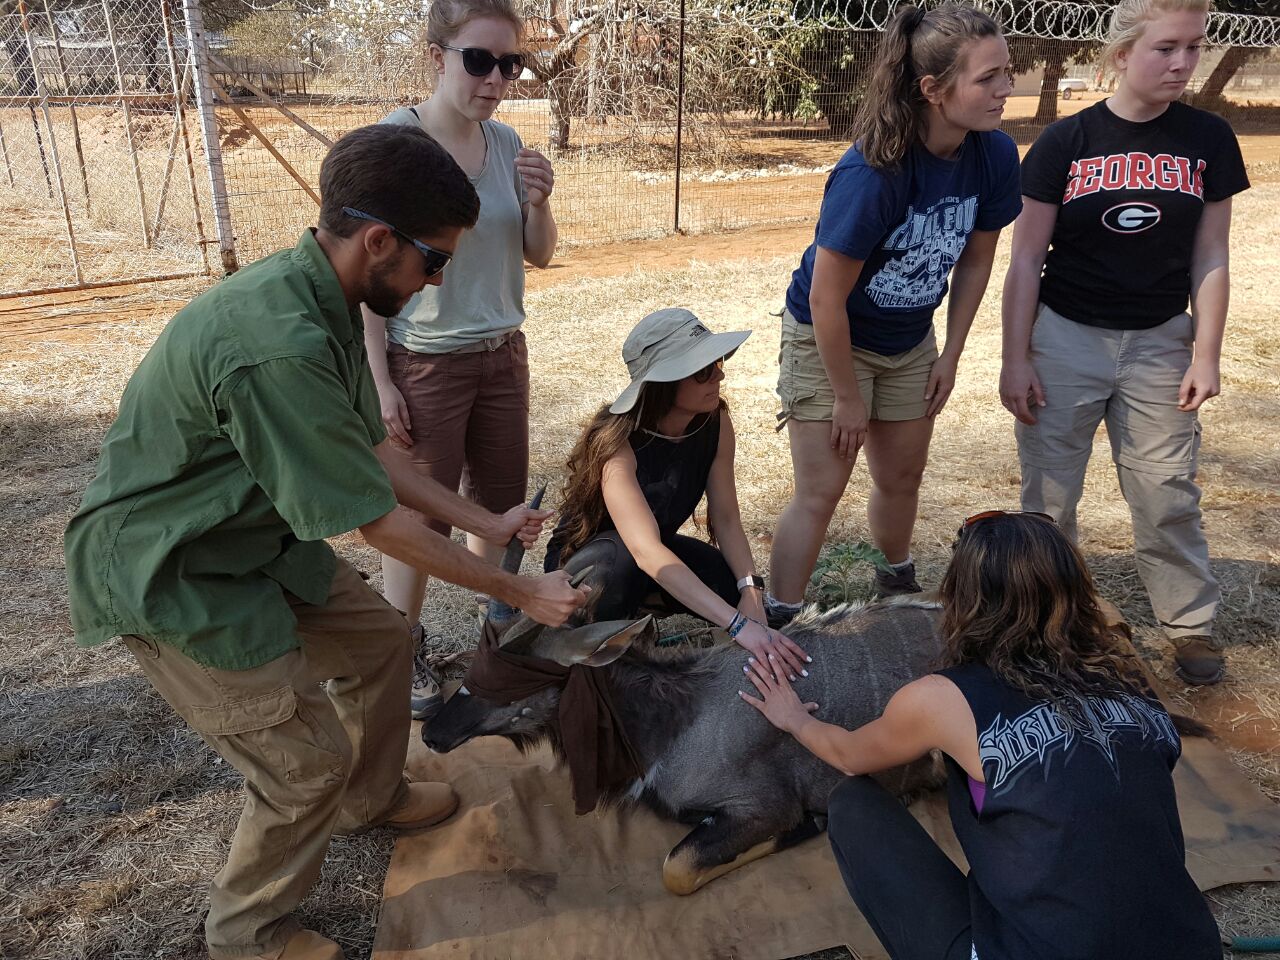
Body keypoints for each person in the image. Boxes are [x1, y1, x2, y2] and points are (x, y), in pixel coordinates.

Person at [63, 124, 587, 960]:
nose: (438, 280)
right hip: (171, 567)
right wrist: (521, 590)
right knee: (303, 767)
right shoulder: (279, 345)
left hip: (248, 535)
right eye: (434, 260)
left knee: (381, 640)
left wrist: (488, 524)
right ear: (378, 241)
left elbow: (375, 455)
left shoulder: (331, 294)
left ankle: (369, 801)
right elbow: (378, 523)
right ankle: (248, 935)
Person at [741, 511, 1222, 960]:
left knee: (854, 804)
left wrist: (794, 718)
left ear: (960, 597)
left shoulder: (943, 698)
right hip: (1190, 946)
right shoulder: (1129, 681)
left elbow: (848, 756)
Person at [999, 0, 1249, 685]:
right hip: (1065, 338)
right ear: (1121, 54)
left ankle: (1189, 626)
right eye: (1166, 48)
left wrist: (1206, 353)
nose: (1183, 63)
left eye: (1194, 46)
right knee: (1049, 498)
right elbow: (1025, 260)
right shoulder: (1066, 142)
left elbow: (1212, 255)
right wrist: (1016, 358)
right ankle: (1047, 625)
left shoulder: (1208, 138)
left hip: (1161, 341)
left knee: (1166, 491)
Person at [765, 3, 1022, 627]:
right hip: (831, 338)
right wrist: (847, 397)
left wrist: (950, 355)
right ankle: (779, 618)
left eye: (1006, 73)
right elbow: (825, 299)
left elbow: (976, 262)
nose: (1005, 90)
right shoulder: (874, 173)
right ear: (933, 89)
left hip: (909, 339)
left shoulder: (993, 154)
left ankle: (895, 583)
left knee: (903, 476)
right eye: (987, 78)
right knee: (821, 491)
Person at [361, 0, 557, 719]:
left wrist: (539, 202)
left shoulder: (506, 142)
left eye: (511, 64)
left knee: (501, 511)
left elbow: (537, 253)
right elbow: (370, 272)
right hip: (426, 362)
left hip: (503, 355)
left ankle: (496, 646)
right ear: (436, 56)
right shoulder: (397, 142)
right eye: (479, 60)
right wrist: (380, 380)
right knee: (419, 523)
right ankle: (400, 647)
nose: (496, 79)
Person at [545, 308, 810, 679]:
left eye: (717, 361)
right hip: (593, 566)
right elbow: (644, 551)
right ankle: (597, 652)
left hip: (652, 552)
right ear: (663, 382)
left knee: (725, 581)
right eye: (703, 370)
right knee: (621, 560)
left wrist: (750, 591)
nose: (720, 374)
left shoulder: (715, 421)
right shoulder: (616, 443)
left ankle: (642, 610)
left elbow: (727, 519)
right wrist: (737, 625)